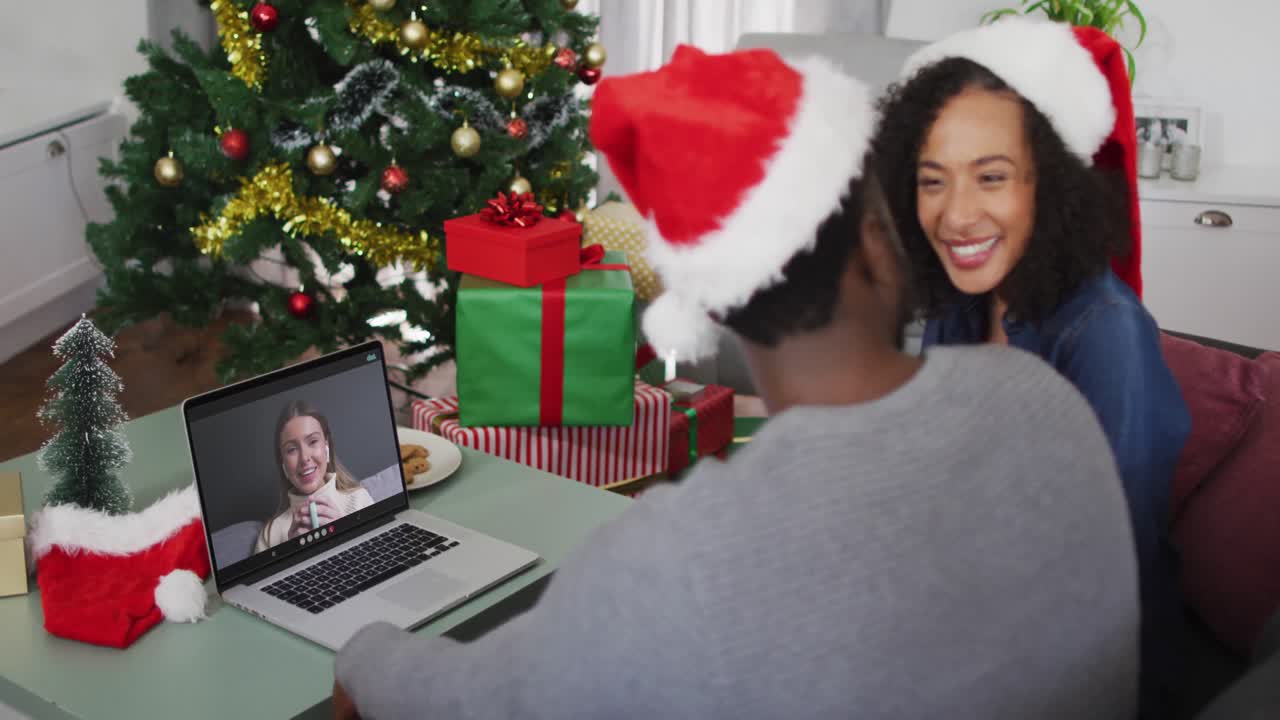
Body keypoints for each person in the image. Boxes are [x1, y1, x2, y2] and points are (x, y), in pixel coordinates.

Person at [333, 45, 1139, 719]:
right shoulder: (1043, 400)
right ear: (874, 244)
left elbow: (468, 703)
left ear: (713, 306)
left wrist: (362, 654)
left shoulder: (676, 560)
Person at [870, 17, 1190, 716]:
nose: (955, 215)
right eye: (932, 181)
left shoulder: (1105, 334)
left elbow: (1106, 573)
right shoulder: (963, 303)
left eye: (991, 177)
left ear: (1051, 184)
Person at [255, 400, 374, 552]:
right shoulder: (270, 535)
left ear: (327, 447)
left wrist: (345, 535)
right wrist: (291, 551)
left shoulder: (359, 500)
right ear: (283, 463)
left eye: (312, 441)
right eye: (291, 449)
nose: (304, 458)